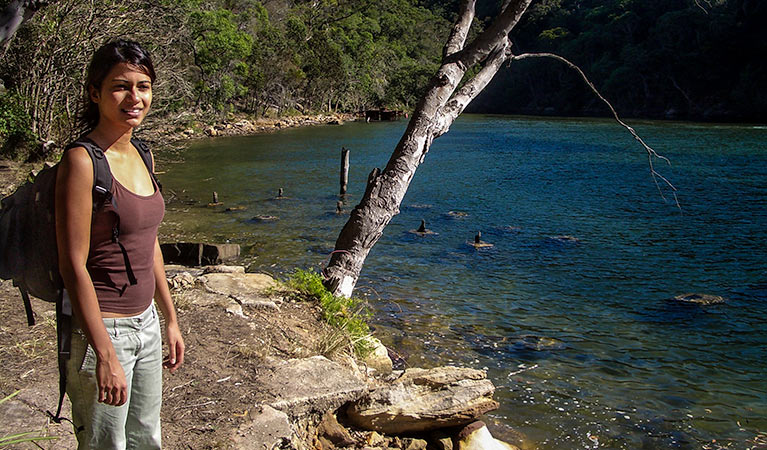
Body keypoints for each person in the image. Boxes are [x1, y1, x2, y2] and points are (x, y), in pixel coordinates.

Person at [55, 39, 184, 449]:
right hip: (104, 329)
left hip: (145, 323)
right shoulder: (81, 161)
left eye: (143, 86)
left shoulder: (143, 153)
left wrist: (169, 318)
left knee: (147, 438)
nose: (135, 97)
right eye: (120, 86)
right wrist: (105, 352)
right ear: (95, 93)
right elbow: (72, 265)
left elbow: (150, 244)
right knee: (105, 444)